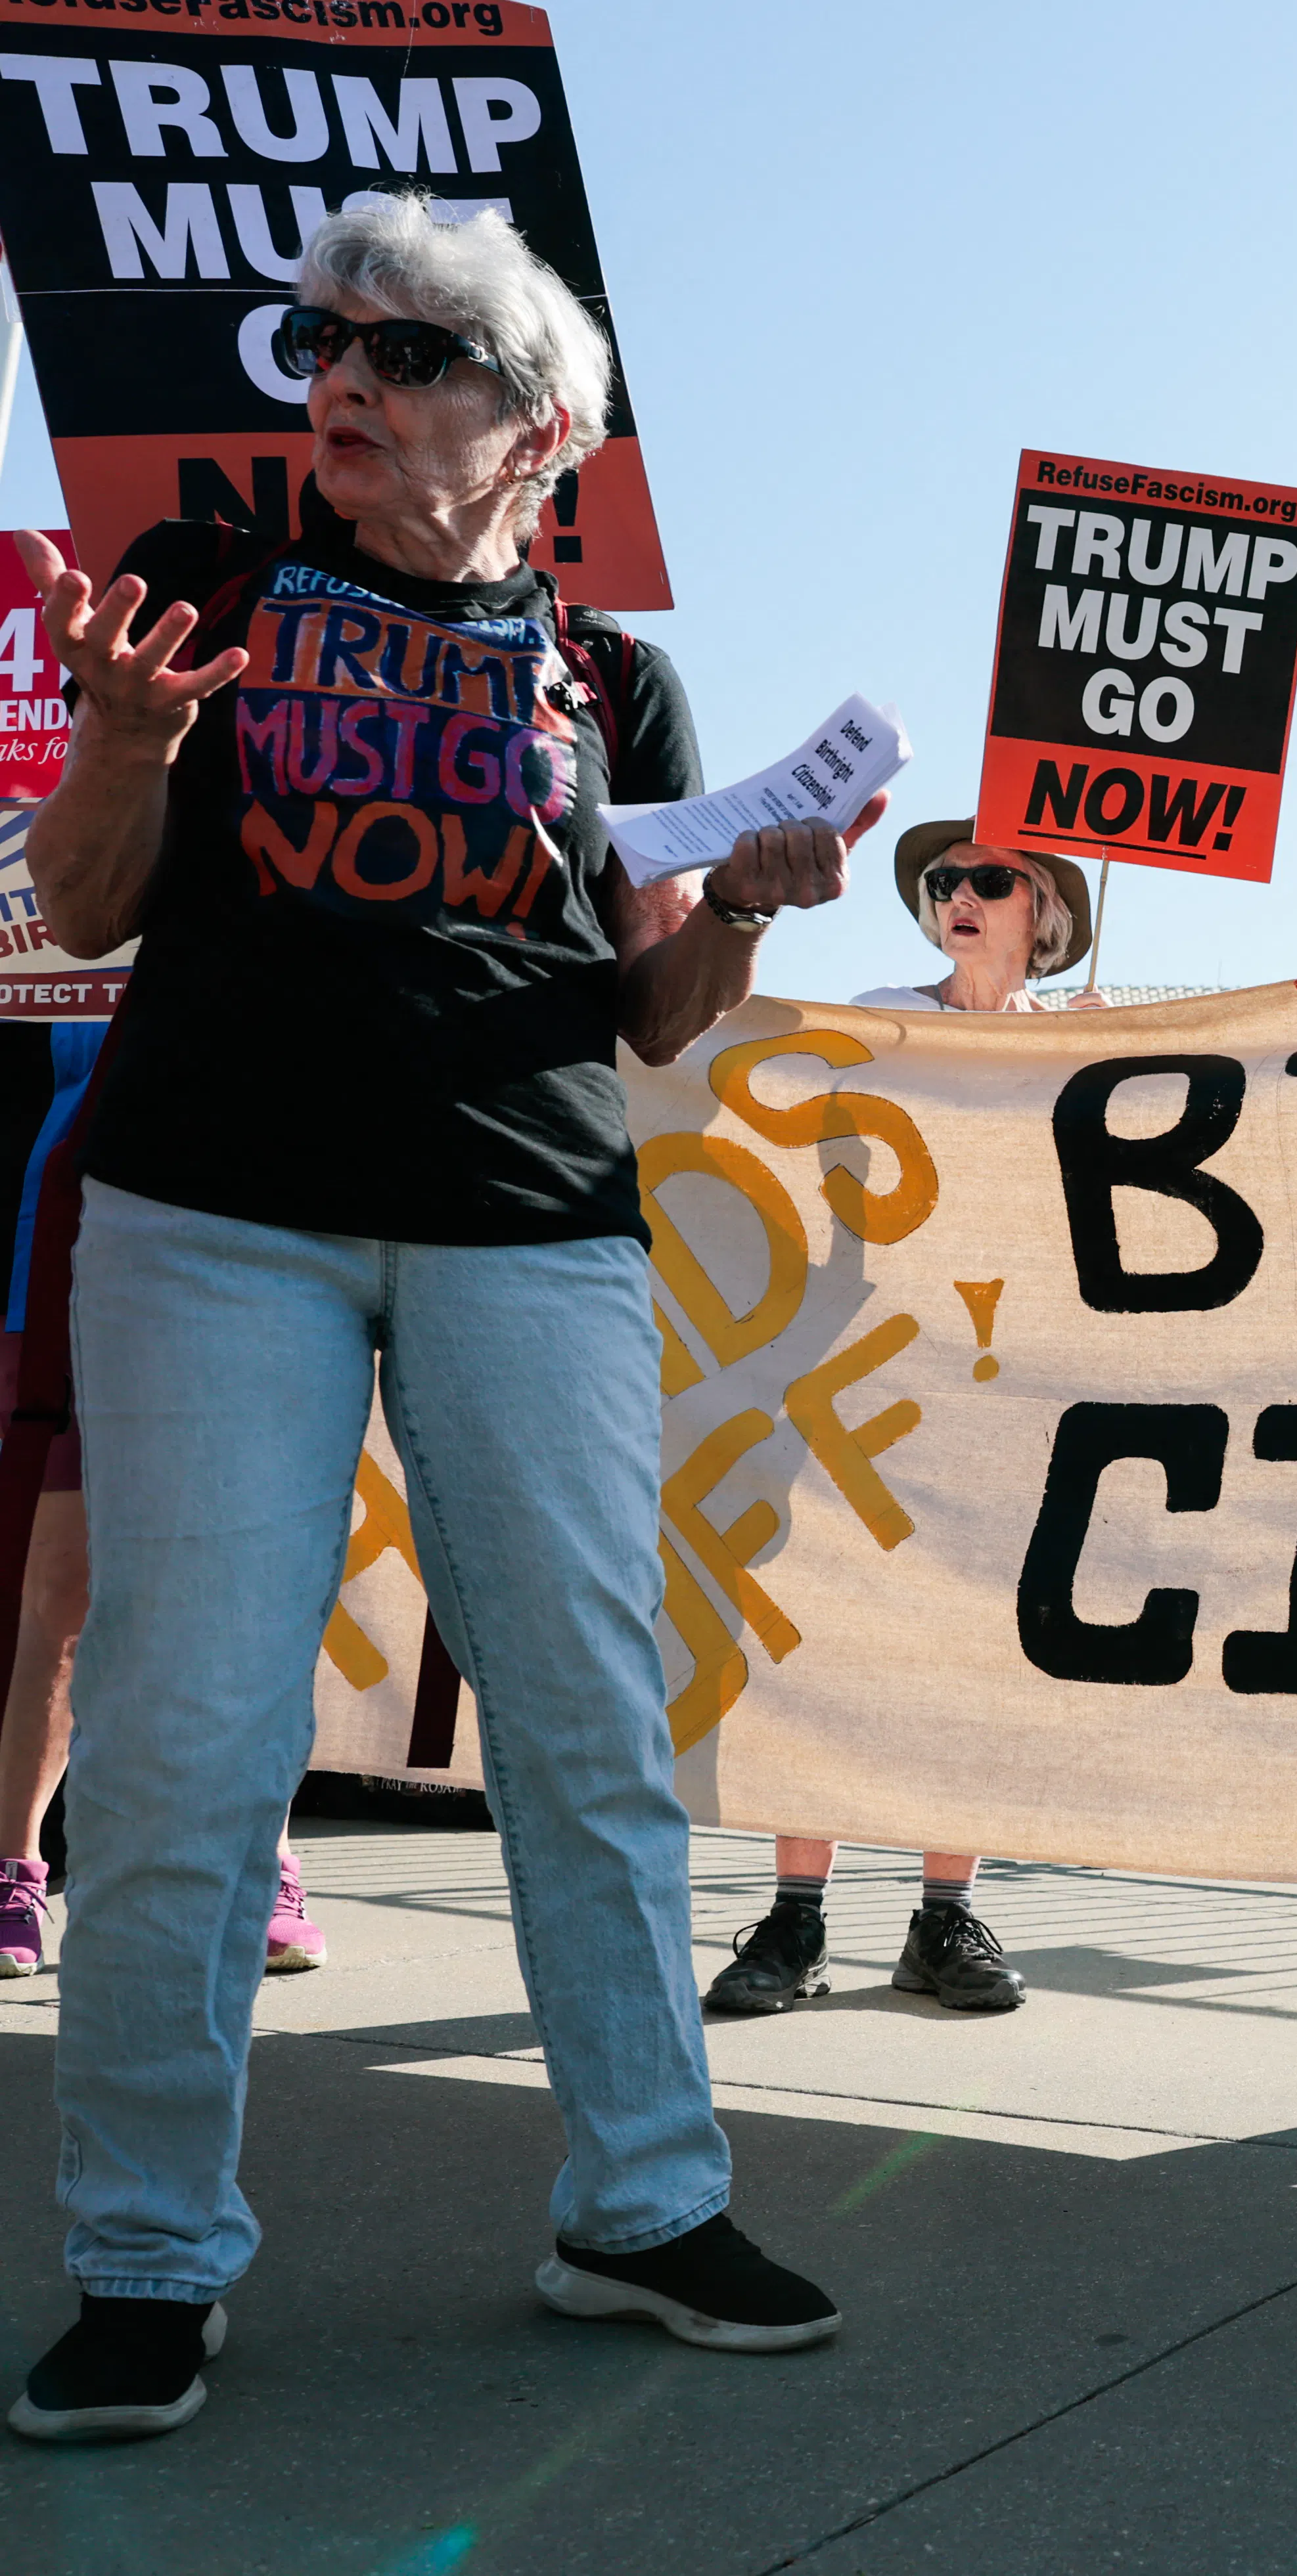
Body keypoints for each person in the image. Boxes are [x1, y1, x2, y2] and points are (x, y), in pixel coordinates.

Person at [9, 196, 857, 2445]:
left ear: (541, 429)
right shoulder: (199, 583)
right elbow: (86, 903)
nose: (347, 377)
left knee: (584, 1718)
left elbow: (653, 1014)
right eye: (329, 339)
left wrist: (750, 913)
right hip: (216, 1223)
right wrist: (112, 743)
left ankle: (643, 2205)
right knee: (190, 1742)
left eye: (416, 349)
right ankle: (145, 2259)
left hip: (534, 1226)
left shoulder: (618, 678)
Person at [705, 824, 1103, 2020]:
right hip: (855, 1364)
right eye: (944, 883)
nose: (960, 898)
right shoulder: (878, 1010)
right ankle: (795, 1917)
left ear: (1046, 913)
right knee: (817, 1628)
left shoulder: (1088, 1044)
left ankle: (944, 1915)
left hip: (1000, 1382)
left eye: (991, 880)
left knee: (967, 1646)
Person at [0, 1024, 329, 1983]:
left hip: (253, 1256)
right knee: (62, 1587)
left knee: (248, 1581)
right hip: (51, 1249)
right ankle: (16, 1866)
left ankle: (259, 1855)